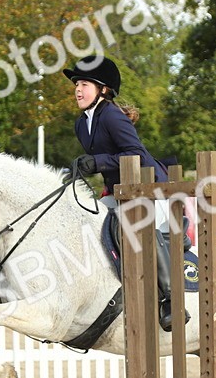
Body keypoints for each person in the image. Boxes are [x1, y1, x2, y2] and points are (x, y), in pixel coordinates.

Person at [62, 54, 187, 332]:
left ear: (103, 90)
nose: (78, 90)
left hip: (149, 186)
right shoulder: (82, 122)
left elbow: (137, 154)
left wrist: (99, 162)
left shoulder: (112, 116)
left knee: (135, 223)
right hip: (119, 191)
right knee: (85, 218)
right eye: (76, 84)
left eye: (84, 84)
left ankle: (170, 298)